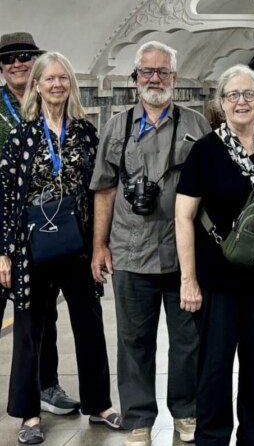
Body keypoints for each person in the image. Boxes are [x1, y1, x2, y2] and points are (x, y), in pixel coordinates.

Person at [89, 41, 210, 446]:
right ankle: (138, 418)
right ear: (135, 79)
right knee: (133, 342)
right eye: (147, 72)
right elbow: (103, 190)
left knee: (188, 341)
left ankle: (187, 412)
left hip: (183, 256)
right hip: (130, 250)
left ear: (175, 78)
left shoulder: (196, 124)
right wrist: (99, 245)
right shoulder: (117, 126)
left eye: (162, 71)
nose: (154, 78)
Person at [0, 52, 121, 445]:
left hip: (78, 244)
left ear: (71, 85)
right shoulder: (22, 135)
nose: (56, 85)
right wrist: (3, 252)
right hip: (30, 247)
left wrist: (102, 243)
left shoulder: (86, 132)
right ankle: (29, 415)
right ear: (36, 84)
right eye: (49, 79)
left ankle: (100, 405)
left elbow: (101, 189)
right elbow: (5, 196)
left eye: (63, 79)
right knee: (29, 329)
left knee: (89, 322)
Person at [175, 65, 254, 446]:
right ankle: (212, 437)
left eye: (249, 94)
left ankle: (251, 436)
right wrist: (189, 279)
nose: (241, 102)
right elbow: (184, 216)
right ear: (220, 103)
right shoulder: (206, 150)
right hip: (217, 279)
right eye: (233, 95)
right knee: (215, 365)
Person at [0, 32, 80, 419]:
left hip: (41, 231)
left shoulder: (51, 106)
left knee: (41, 313)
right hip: (3, 228)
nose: (16, 64)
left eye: (25, 57)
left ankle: (46, 385)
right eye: (8, 59)